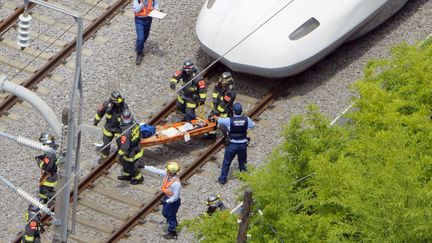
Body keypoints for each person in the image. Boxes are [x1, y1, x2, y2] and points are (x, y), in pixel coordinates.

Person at [214, 102, 255, 185]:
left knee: (226, 162)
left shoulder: (229, 120)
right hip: (243, 145)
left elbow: (219, 120)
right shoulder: (247, 119)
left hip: (232, 145)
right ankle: (243, 177)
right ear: (241, 111)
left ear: (233, 111)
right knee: (242, 162)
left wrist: (214, 116)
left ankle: (222, 179)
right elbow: (253, 125)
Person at [144, 161, 181, 239]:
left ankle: (172, 232)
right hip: (167, 198)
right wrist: (144, 167)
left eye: (167, 170)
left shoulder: (176, 184)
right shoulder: (168, 175)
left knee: (170, 216)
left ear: (171, 172)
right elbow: (156, 170)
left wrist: (166, 201)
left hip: (173, 202)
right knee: (165, 213)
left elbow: (176, 197)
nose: (166, 171)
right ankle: (175, 225)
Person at [94, 91, 129, 164]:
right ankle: (103, 158)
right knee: (105, 145)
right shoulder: (107, 104)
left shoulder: (124, 106)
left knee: (122, 145)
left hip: (119, 129)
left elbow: (128, 117)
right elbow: (100, 112)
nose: (119, 103)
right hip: (108, 128)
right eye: (117, 101)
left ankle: (121, 159)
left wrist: (127, 127)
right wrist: (96, 121)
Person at [204, 71, 237, 139]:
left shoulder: (230, 91)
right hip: (217, 106)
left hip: (225, 110)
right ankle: (211, 135)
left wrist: (217, 111)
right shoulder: (219, 84)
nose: (221, 83)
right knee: (211, 120)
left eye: (223, 83)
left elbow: (225, 103)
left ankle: (228, 139)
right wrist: (215, 103)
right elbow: (215, 92)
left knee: (224, 125)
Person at [117, 109, 144, 185]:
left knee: (129, 166)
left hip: (131, 152)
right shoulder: (135, 123)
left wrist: (118, 155)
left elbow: (125, 147)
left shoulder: (126, 132)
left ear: (122, 117)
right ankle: (127, 175)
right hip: (137, 147)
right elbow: (140, 135)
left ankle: (139, 178)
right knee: (125, 163)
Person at [133, 0, 159, 65]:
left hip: (148, 19)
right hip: (139, 20)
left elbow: (155, 3)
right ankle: (139, 53)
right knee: (140, 37)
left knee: (146, 35)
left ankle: (140, 44)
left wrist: (157, 9)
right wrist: (142, 4)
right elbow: (136, 10)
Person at [35, 132, 58, 204]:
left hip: (52, 176)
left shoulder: (50, 154)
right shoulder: (54, 148)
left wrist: (39, 162)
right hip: (55, 172)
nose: (43, 145)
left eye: (44, 144)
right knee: (43, 190)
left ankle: (59, 199)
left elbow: (46, 167)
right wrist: (43, 157)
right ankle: (45, 203)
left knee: (44, 190)